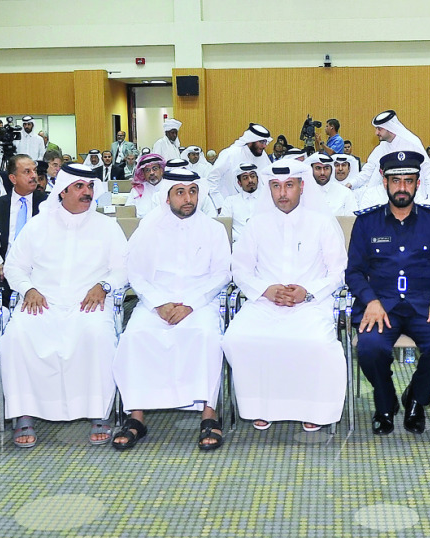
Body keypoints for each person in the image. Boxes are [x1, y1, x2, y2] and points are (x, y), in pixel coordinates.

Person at [0, 164, 127, 449]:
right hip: (42, 301)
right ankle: (24, 413)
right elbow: (14, 266)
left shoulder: (107, 227)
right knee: (16, 338)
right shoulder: (37, 225)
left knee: (97, 336)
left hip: (88, 302)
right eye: (80, 187)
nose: (87, 192)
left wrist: (104, 286)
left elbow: (123, 269)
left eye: (90, 187)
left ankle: (98, 412)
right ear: (63, 190)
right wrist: (28, 288)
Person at [221, 159, 347, 431]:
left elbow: (339, 272)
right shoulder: (256, 224)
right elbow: (239, 270)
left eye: (289, 185)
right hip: (264, 302)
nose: (282, 193)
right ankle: (261, 405)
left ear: (302, 187)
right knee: (237, 338)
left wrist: (308, 292)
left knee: (316, 343)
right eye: (276, 186)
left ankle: (314, 409)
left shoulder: (322, 223)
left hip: (311, 305)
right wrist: (265, 289)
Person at [112, 167, 231, 452]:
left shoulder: (213, 229)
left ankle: (209, 416)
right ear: (167, 197)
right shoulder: (148, 229)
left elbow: (222, 274)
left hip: (199, 303)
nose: (188, 198)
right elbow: (136, 274)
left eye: (192, 191)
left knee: (205, 336)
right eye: (180, 192)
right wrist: (158, 304)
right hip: (156, 303)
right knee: (135, 337)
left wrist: (191, 304)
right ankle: (136, 417)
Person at [346, 151, 430, 435]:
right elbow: (354, 272)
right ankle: (385, 403)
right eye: (396, 181)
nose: (402, 188)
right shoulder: (367, 223)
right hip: (381, 305)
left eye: (408, 181)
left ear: (418, 184)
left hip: (424, 304)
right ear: (385, 182)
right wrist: (370, 300)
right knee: (369, 348)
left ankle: (416, 400)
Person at [0, 154, 46, 303]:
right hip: (4, 274)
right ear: (13, 178)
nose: (34, 176)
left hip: (39, 273)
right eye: (27, 172)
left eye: (35, 171)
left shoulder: (48, 205)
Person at [348, 111, 430, 198]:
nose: (376, 133)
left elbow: (428, 171)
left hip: (413, 196)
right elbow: (368, 170)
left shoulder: (411, 143)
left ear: (390, 128)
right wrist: (351, 184)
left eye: (379, 129)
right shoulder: (381, 147)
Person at [206, 123, 272, 208]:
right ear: (251, 141)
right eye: (261, 142)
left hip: (257, 208)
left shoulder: (263, 156)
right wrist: (220, 206)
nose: (264, 146)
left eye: (265, 142)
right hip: (230, 209)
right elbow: (212, 180)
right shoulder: (230, 154)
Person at [218, 163, 261, 242]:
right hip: (238, 245)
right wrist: (241, 238)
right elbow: (224, 226)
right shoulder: (230, 201)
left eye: (252, 176)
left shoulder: (268, 198)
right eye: (245, 178)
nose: (250, 180)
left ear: (257, 179)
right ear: (239, 183)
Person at [125, 153, 167, 218]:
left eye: (155, 169)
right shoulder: (137, 190)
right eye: (147, 170)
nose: (151, 173)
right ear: (143, 174)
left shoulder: (169, 187)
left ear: (161, 170)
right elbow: (127, 211)